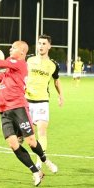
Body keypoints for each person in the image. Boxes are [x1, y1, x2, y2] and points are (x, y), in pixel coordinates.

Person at [0, 41, 58, 187]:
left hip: (18, 108)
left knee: (31, 142)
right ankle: (35, 172)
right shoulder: (7, 73)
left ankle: (45, 160)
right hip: (4, 111)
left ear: (22, 51)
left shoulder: (20, 64)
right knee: (13, 144)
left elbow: (3, 63)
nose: (10, 49)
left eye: (13, 47)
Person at [26, 34, 64, 170]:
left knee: (42, 131)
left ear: (49, 46)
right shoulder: (28, 59)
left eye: (43, 44)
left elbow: (56, 80)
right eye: (39, 43)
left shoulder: (53, 65)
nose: (40, 46)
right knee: (29, 135)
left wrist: (61, 95)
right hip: (26, 101)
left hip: (42, 101)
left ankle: (39, 161)